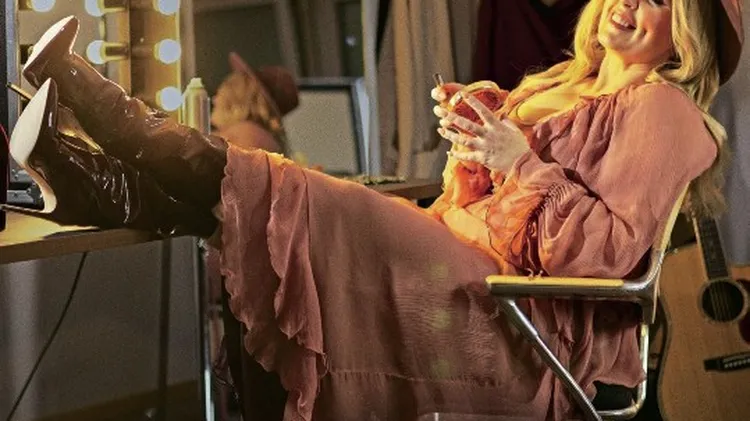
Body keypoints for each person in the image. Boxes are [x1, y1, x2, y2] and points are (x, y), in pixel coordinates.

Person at [3, 0, 742, 418]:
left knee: (302, 199)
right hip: (462, 264)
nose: (630, 2)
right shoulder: (562, 83)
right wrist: (475, 141)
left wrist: (517, 159)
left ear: (687, 31)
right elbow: (478, 199)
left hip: (516, 319)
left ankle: (105, 121)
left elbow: (607, 257)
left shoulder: (666, 112)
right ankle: (92, 179)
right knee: (290, 204)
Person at [210, 52, 299, 155]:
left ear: (239, 97)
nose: (214, 99)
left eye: (222, 91)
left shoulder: (245, 135)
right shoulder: (262, 137)